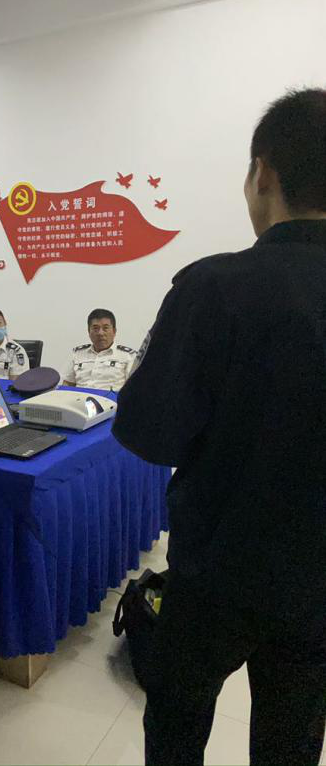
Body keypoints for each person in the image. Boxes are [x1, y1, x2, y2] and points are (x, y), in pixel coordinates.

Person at [114, 88, 326, 766]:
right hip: (317, 584)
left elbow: (146, 433)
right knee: (292, 742)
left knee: (177, 730)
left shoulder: (213, 288)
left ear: (262, 173)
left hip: (216, 572)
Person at [62, 308, 138, 391]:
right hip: (79, 398)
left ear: (114, 331)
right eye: (95, 328)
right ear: (89, 331)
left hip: (110, 398)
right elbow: (67, 384)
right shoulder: (78, 354)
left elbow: (134, 388)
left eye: (105, 328)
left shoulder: (128, 356)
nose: (100, 333)